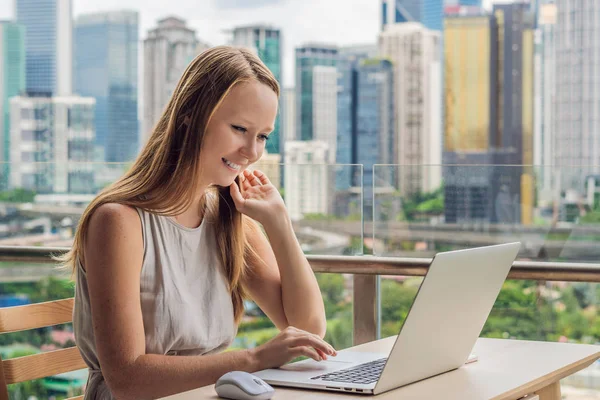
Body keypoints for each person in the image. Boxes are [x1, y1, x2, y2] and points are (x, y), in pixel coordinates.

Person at [61, 45, 336, 400]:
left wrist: (279, 222)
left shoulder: (230, 221)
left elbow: (308, 330)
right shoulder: (119, 222)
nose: (252, 152)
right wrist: (255, 358)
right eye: (240, 128)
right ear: (191, 115)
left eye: (263, 136)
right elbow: (127, 379)